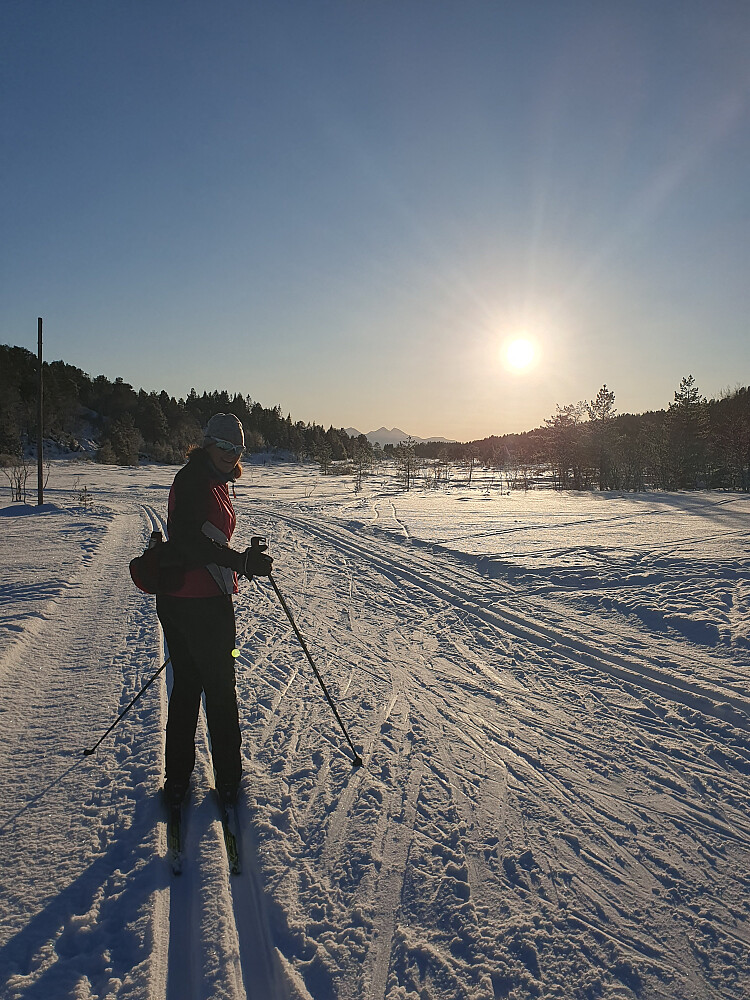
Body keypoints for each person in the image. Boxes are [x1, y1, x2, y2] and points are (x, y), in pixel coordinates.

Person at [156, 412, 272, 809]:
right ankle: (224, 779)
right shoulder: (193, 479)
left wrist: (240, 559)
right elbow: (189, 541)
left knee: (188, 686)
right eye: (223, 446)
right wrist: (239, 562)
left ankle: (179, 779)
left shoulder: (214, 480)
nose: (230, 454)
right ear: (206, 444)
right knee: (217, 690)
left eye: (237, 448)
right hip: (199, 604)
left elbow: (207, 537)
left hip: (188, 602)